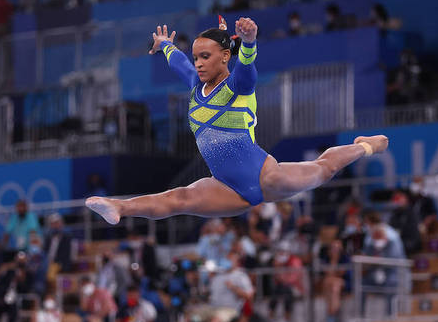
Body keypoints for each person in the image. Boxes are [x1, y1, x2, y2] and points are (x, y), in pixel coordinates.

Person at [85, 17, 389, 225]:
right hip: (225, 187)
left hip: (263, 177)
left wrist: (249, 42)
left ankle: (365, 146)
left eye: (206, 56)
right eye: (197, 57)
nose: (199, 64)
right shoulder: (195, 84)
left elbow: (248, 71)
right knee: (179, 199)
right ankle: (119, 207)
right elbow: (178, 62)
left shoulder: (237, 87)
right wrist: (164, 44)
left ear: (225, 57)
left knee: (325, 168)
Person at [389, 189, 422, 254]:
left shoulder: (412, 212)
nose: (398, 201)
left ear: (406, 199)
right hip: (398, 240)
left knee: (396, 246)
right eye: (396, 198)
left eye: (400, 197)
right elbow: (391, 227)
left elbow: (412, 231)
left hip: (410, 241)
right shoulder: (395, 213)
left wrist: (399, 232)